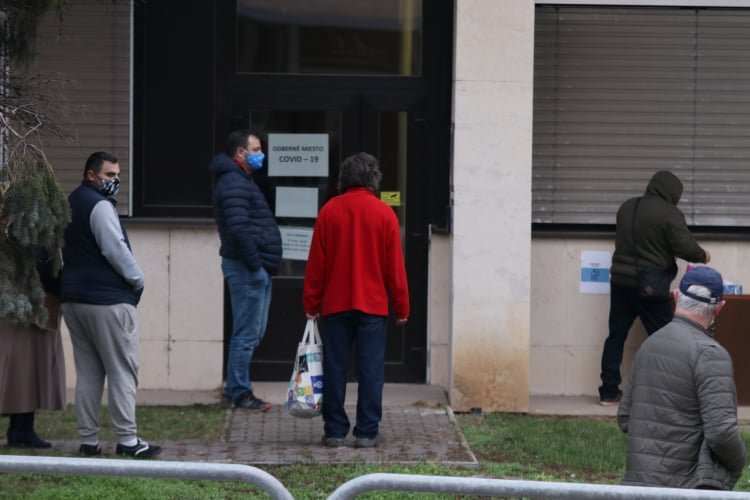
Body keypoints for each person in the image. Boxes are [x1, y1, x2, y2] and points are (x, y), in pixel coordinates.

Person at [303, 152, 409, 449]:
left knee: (334, 368)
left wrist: (311, 303)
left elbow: (316, 265)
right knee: (371, 371)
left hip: (335, 304)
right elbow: (395, 268)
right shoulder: (385, 214)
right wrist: (402, 307)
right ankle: (366, 431)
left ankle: (335, 431)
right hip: (372, 305)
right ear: (373, 179)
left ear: (344, 179)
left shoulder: (329, 211)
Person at [61, 151, 161, 458]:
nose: (115, 180)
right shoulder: (100, 205)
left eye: (117, 175)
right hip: (108, 300)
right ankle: (128, 441)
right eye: (109, 175)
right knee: (122, 370)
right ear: (91, 174)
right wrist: (138, 279)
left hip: (73, 299)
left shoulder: (70, 202)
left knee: (88, 372)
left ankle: (88, 441)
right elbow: (114, 249)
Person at [617, 266, 746, 490]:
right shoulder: (711, 354)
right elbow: (721, 433)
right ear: (719, 308)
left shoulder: (649, 345)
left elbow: (625, 417)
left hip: (637, 487)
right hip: (686, 488)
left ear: (676, 296)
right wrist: (739, 462)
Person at [599, 170, 710, 405]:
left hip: (620, 281)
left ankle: (609, 392)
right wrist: (703, 255)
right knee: (669, 338)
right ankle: (673, 392)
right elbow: (684, 246)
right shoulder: (669, 213)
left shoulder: (627, 207)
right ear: (671, 192)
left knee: (616, 336)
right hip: (650, 285)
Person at [210, 130, 282, 411]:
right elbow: (238, 228)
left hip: (254, 266)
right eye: (256, 149)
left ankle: (236, 389)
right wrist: (255, 263)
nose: (261, 154)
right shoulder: (233, 182)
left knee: (253, 331)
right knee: (247, 333)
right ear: (241, 153)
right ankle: (239, 392)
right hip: (247, 267)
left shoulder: (241, 180)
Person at [1, 248, 66, 449]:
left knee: (22, 373)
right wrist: (64, 286)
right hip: (29, 305)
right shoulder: (32, 235)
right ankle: (22, 430)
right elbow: (43, 266)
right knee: (25, 371)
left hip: (21, 303)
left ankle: (21, 428)